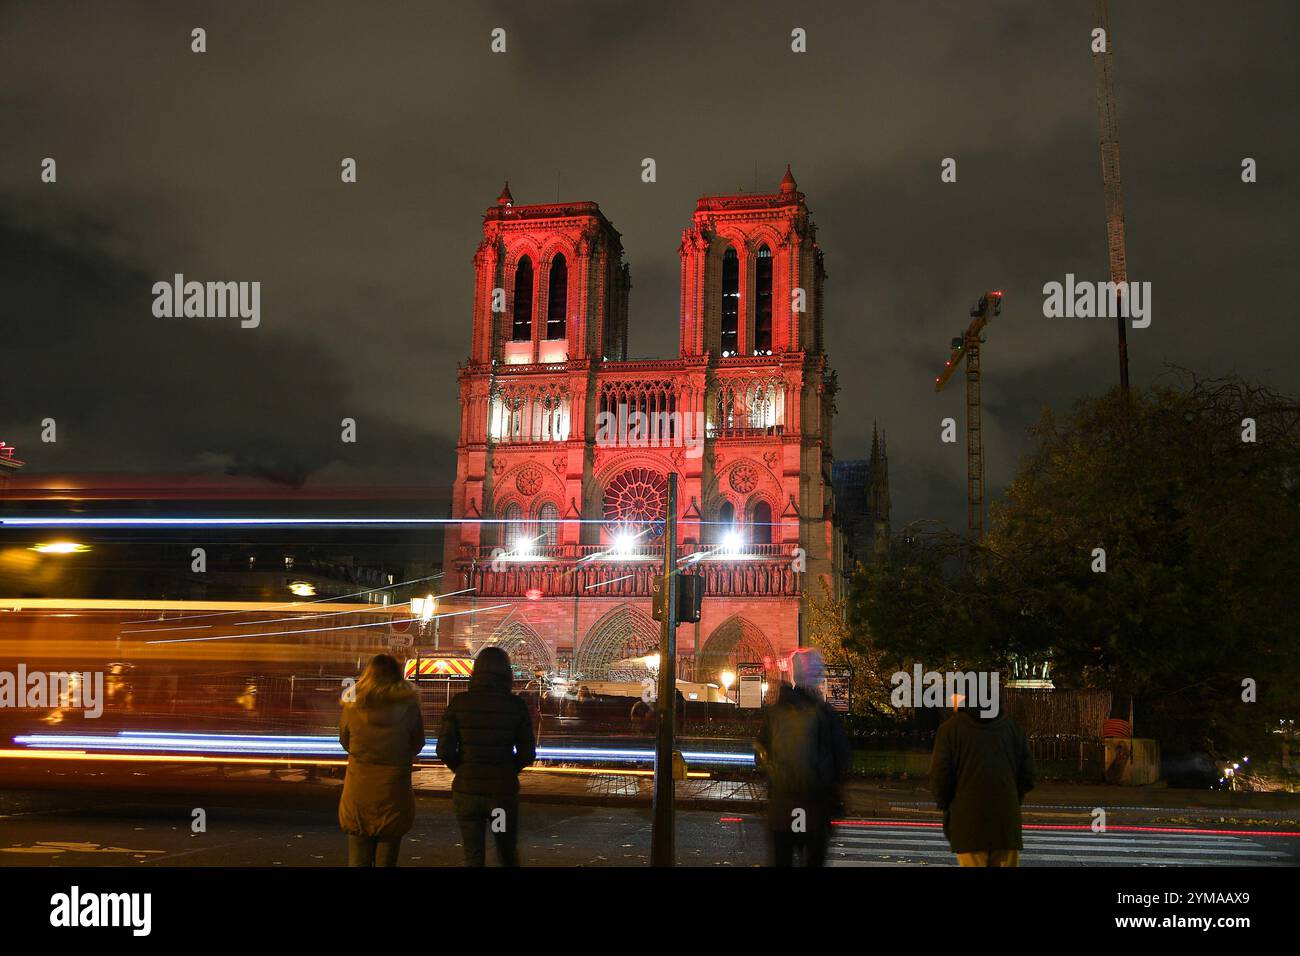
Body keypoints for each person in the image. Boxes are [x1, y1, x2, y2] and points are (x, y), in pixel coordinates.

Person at [437, 646, 537, 866]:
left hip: (468, 793)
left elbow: (443, 750)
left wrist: (462, 768)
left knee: (473, 854)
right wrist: (509, 769)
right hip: (499, 796)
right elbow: (527, 753)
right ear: (506, 673)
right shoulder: (515, 706)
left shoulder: (460, 703)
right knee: (505, 850)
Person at [754, 648, 850, 867]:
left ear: (794, 676)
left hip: (782, 809)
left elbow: (760, 756)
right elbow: (842, 760)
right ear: (816, 678)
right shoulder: (824, 713)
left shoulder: (774, 713)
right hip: (814, 808)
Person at [338, 654, 425, 867]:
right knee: (388, 859)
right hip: (393, 790)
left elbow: (345, 740)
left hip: (359, 789)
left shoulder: (353, 704)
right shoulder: (409, 706)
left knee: (358, 858)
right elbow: (418, 743)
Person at [929, 693, 1036, 867]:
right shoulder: (1012, 728)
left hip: (968, 823)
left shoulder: (950, 730)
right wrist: (1012, 799)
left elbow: (940, 776)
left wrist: (948, 806)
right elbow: (1028, 775)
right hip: (1005, 824)